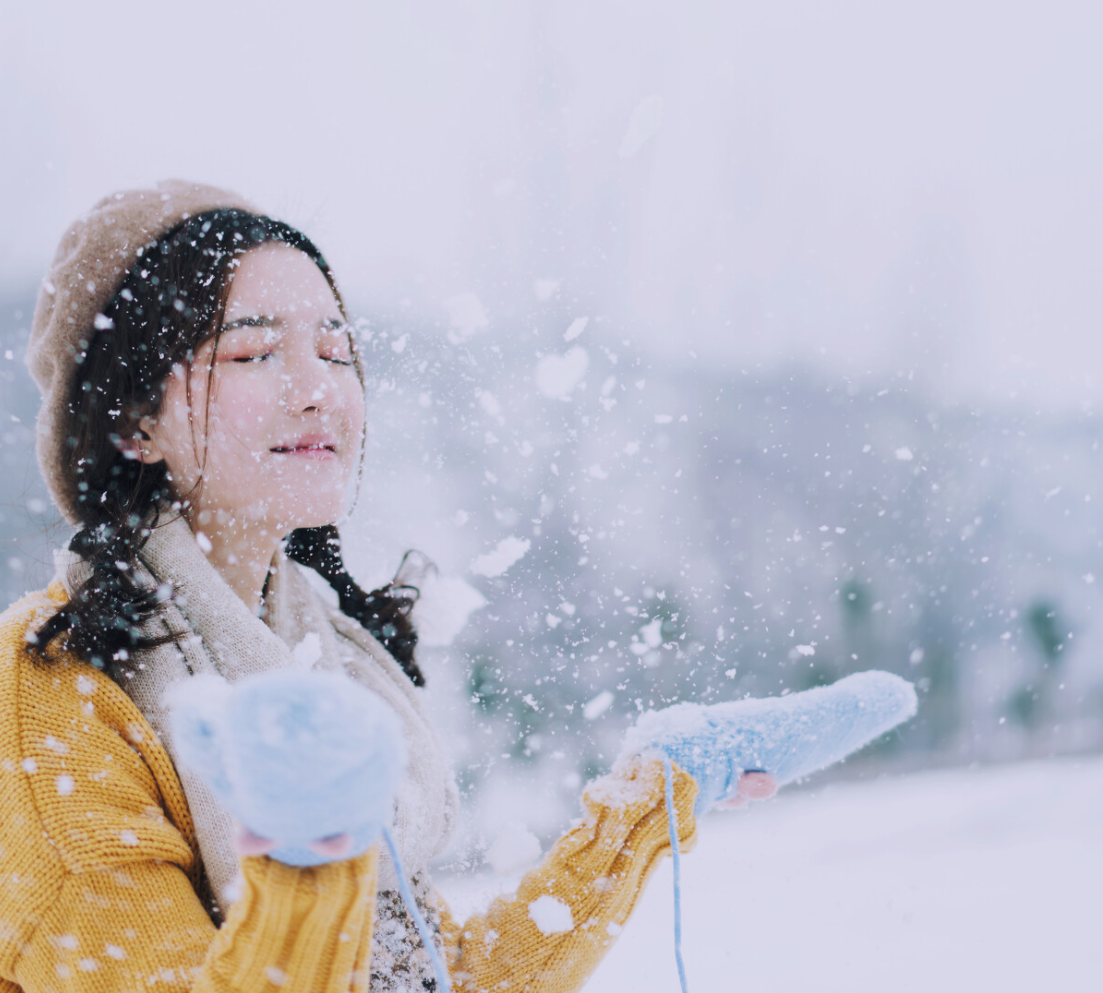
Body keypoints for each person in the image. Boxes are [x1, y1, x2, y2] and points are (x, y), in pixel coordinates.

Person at [0, 181, 911, 993]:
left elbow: (440, 979)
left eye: (338, 349)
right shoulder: (50, 696)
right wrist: (308, 851)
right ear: (132, 422)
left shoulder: (317, 658)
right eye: (253, 353)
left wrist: (654, 794)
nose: (319, 390)